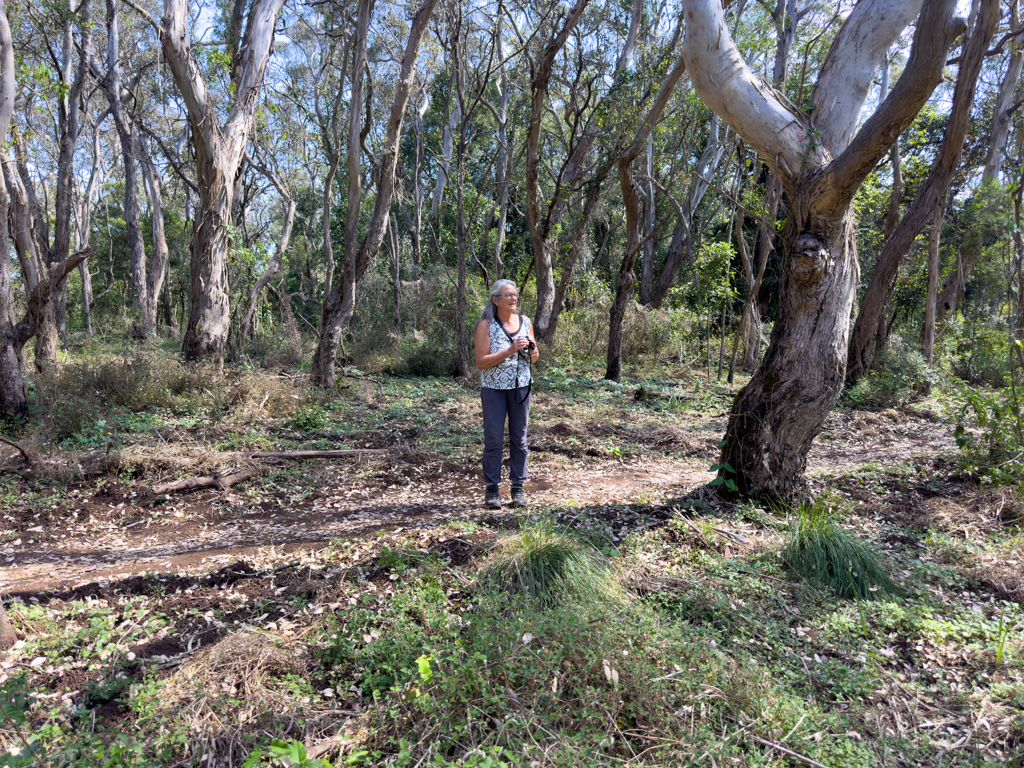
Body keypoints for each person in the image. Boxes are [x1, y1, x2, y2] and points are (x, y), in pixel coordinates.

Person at [475, 279, 539, 509]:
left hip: (521, 388)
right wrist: (510, 350)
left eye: (515, 295)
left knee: (519, 439)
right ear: (496, 299)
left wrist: (531, 349)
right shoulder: (485, 325)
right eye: (508, 295)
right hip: (493, 390)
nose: (513, 298)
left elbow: (535, 357)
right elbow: (481, 363)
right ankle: (492, 489)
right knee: (493, 439)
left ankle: (517, 487)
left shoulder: (525, 322)